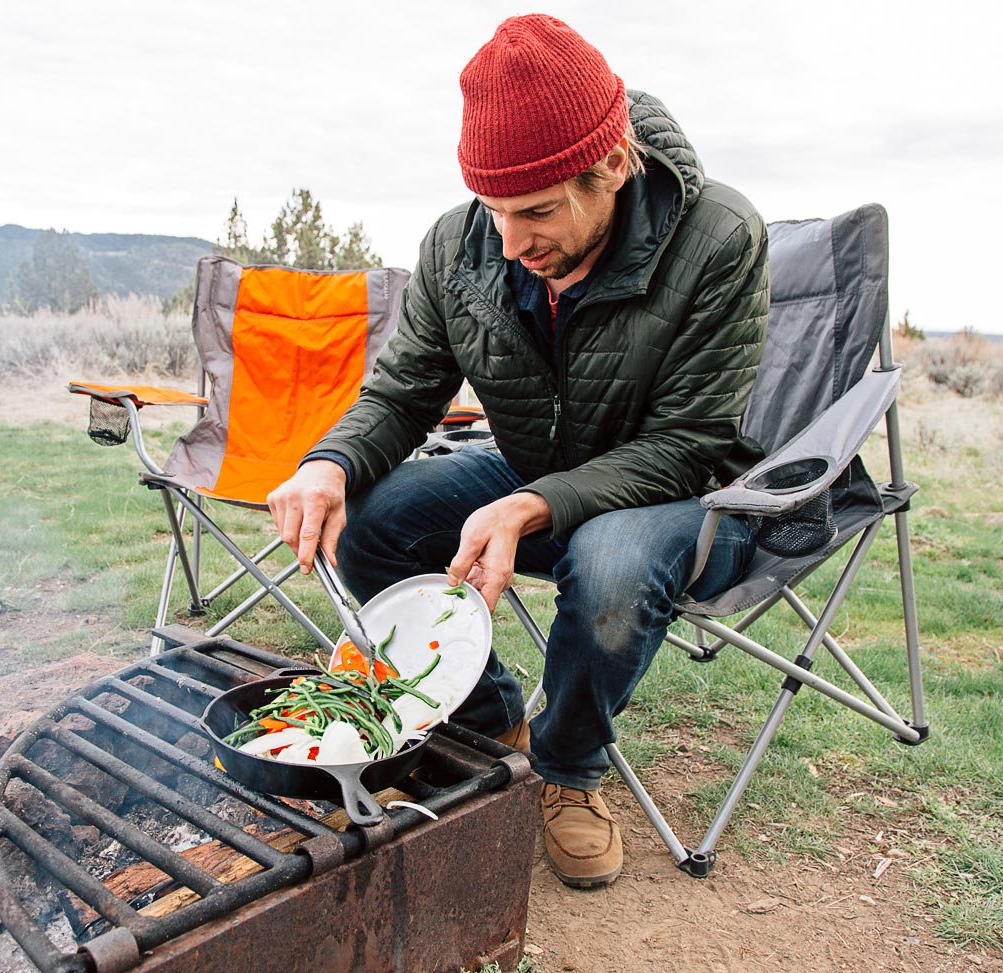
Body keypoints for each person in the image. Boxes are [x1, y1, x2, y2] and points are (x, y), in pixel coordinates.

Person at [266, 13, 768, 888]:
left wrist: (534, 502)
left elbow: (690, 445)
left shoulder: (719, 237)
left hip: (683, 501)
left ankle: (570, 773)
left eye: (535, 211)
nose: (508, 241)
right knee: (369, 522)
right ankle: (494, 723)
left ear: (614, 166)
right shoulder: (460, 248)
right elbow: (401, 392)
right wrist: (328, 463)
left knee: (608, 560)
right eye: (493, 210)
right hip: (533, 473)